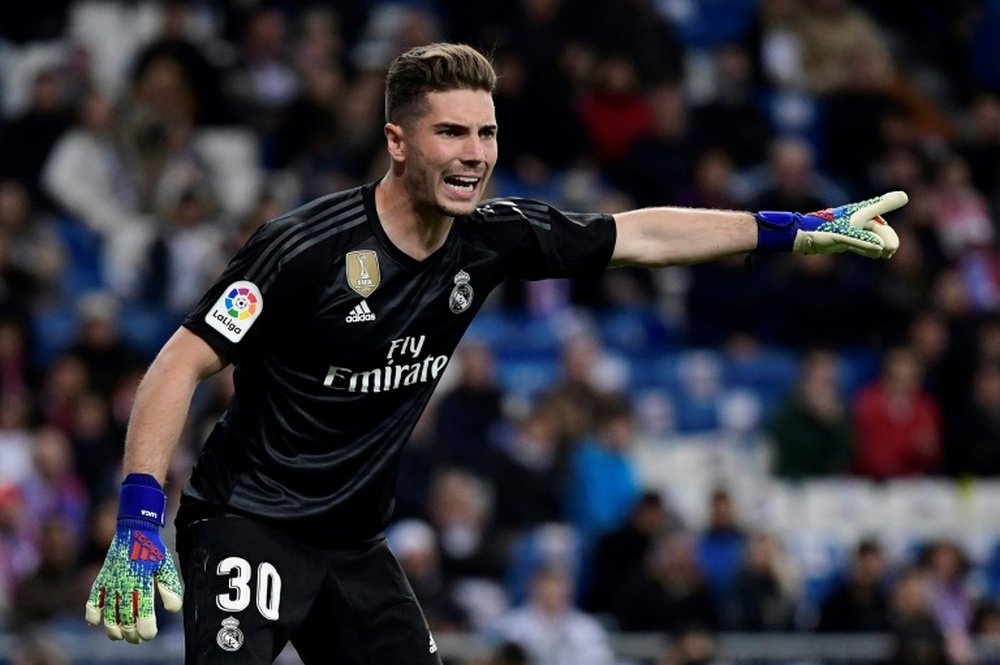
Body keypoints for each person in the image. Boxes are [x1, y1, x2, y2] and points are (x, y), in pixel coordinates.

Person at [83, 42, 906, 664]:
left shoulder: (492, 238)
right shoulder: (300, 249)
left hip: (354, 541)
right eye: (451, 132)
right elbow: (177, 364)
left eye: (486, 132)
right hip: (247, 522)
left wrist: (793, 229)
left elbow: (643, 234)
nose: (475, 152)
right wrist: (138, 521)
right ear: (398, 142)